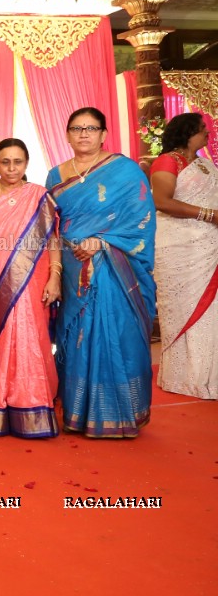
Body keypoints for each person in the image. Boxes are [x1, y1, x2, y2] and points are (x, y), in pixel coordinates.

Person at [47, 107, 156, 438]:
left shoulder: (125, 171)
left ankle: (119, 413)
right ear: (67, 134)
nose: (84, 134)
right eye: (77, 128)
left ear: (104, 134)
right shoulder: (55, 175)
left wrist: (102, 242)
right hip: (70, 266)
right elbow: (51, 225)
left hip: (114, 268)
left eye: (91, 128)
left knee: (115, 333)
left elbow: (141, 219)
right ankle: (79, 413)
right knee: (78, 336)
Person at [0, 139, 61, 438]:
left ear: (26, 163)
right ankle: (3, 404)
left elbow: (53, 240)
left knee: (32, 338)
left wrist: (55, 276)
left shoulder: (39, 196)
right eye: (5, 162)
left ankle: (34, 404)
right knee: (5, 341)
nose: (11, 168)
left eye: (17, 162)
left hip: (34, 279)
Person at [150, 113, 218, 399]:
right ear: (189, 132)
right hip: (178, 245)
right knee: (182, 308)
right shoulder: (168, 161)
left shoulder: (205, 163)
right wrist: (209, 215)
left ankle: (207, 375)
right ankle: (183, 376)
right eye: (203, 130)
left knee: (212, 309)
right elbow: (162, 201)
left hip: (208, 244)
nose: (208, 135)